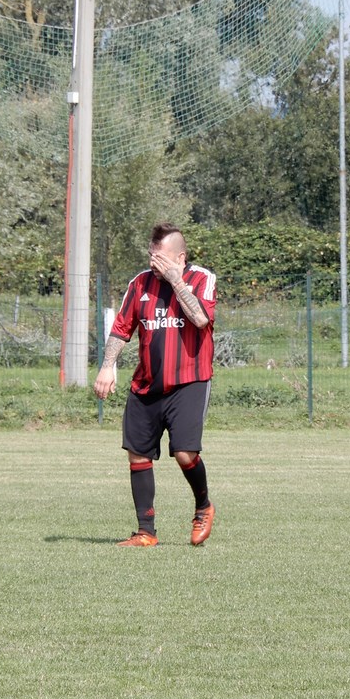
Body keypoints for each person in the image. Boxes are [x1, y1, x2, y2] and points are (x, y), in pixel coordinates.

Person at [93, 223, 217, 547]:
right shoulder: (139, 284)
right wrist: (107, 367)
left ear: (180, 257)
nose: (153, 262)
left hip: (190, 380)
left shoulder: (202, 279)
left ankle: (203, 506)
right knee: (137, 455)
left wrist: (176, 280)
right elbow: (121, 328)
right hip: (147, 383)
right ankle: (146, 531)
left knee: (185, 453)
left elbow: (200, 319)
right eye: (151, 255)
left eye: (160, 257)